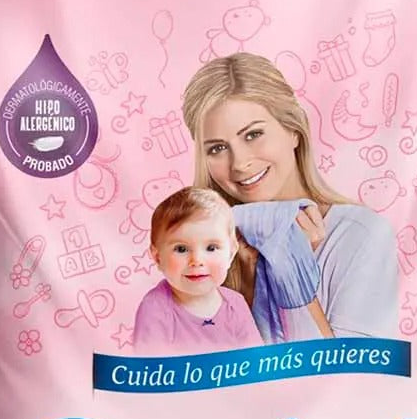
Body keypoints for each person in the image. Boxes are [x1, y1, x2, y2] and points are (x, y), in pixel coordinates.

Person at [181, 52, 399, 340]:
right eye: (217, 148)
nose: (239, 163)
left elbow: (349, 368)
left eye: (253, 134)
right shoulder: (204, 251)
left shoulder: (361, 235)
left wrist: (294, 272)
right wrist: (246, 285)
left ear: (293, 130)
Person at [132, 187, 262, 353]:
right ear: (158, 258)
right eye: (181, 249)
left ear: (230, 254)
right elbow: (149, 364)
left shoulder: (235, 304)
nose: (197, 261)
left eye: (211, 248)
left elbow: (256, 360)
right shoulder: (155, 309)